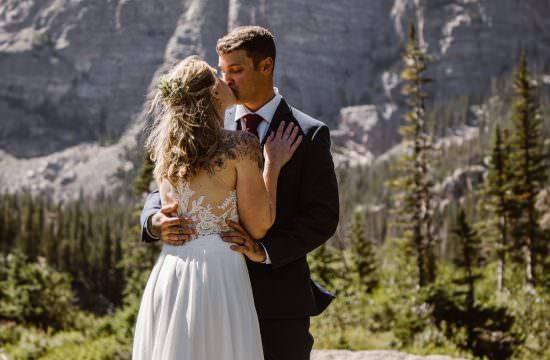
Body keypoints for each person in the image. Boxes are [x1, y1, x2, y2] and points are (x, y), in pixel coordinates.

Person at [140, 26, 340, 360]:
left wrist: (266, 251)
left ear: (266, 66)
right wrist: (153, 221)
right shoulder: (204, 125)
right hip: (203, 293)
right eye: (222, 71)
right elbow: (163, 188)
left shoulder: (308, 133)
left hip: (276, 302)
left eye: (236, 70)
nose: (227, 80)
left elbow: (323, 217)